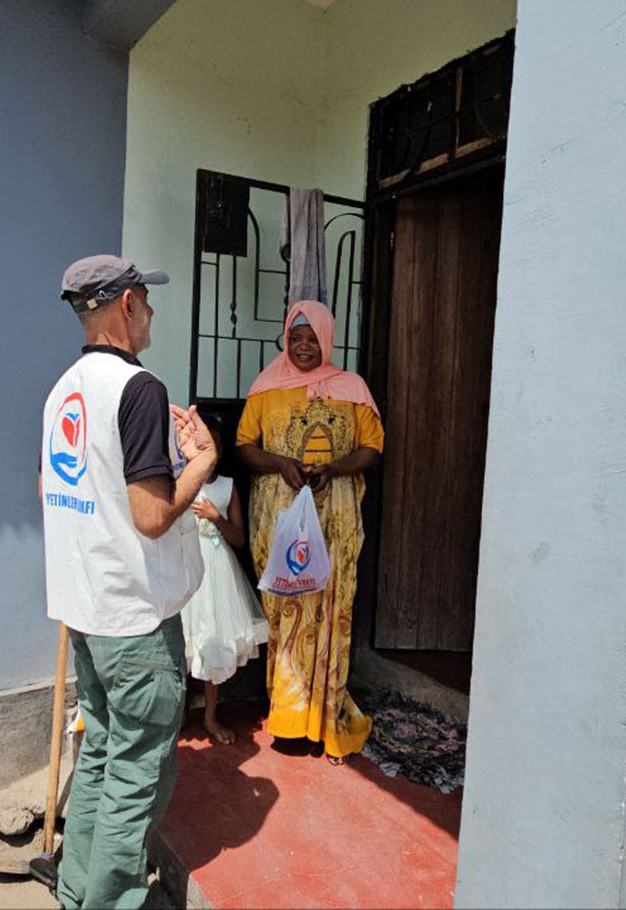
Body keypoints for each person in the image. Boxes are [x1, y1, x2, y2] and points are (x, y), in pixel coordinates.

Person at [40, 255, 217, 909]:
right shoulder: (137, 389)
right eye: (146, 299)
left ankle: (75, 887)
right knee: (136, 769)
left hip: (86, 609)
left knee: (102, 751)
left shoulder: (64, 391)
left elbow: (56, 487)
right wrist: (203, 459)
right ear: (124, 306)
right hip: (134, 619)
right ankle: (111, 900)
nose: (152, 313)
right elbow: (150, 516)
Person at [235, 299, 383, 763]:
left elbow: (373, 447)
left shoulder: (352, 388)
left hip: (333, 518)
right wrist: (278, 462)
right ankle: (288, 715)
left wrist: (337, 468)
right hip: (281, 520)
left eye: (312, 337)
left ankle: (325, 714)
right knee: (287, 607)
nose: (303, 346)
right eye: (296, 337)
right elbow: (243, 445)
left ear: (327, 338)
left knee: (332, 604)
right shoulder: (266, 386)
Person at [180, 420, 269, 745]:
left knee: (214, 638)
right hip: (186, 569)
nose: (208, 453)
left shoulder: (227, 486)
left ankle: (210, 716)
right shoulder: (181, 481)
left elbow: (240, 539)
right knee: (184, 642)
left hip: (217, 571)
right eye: (202, 445)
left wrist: (216, 518)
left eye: (213, 447)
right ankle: (180, 714)